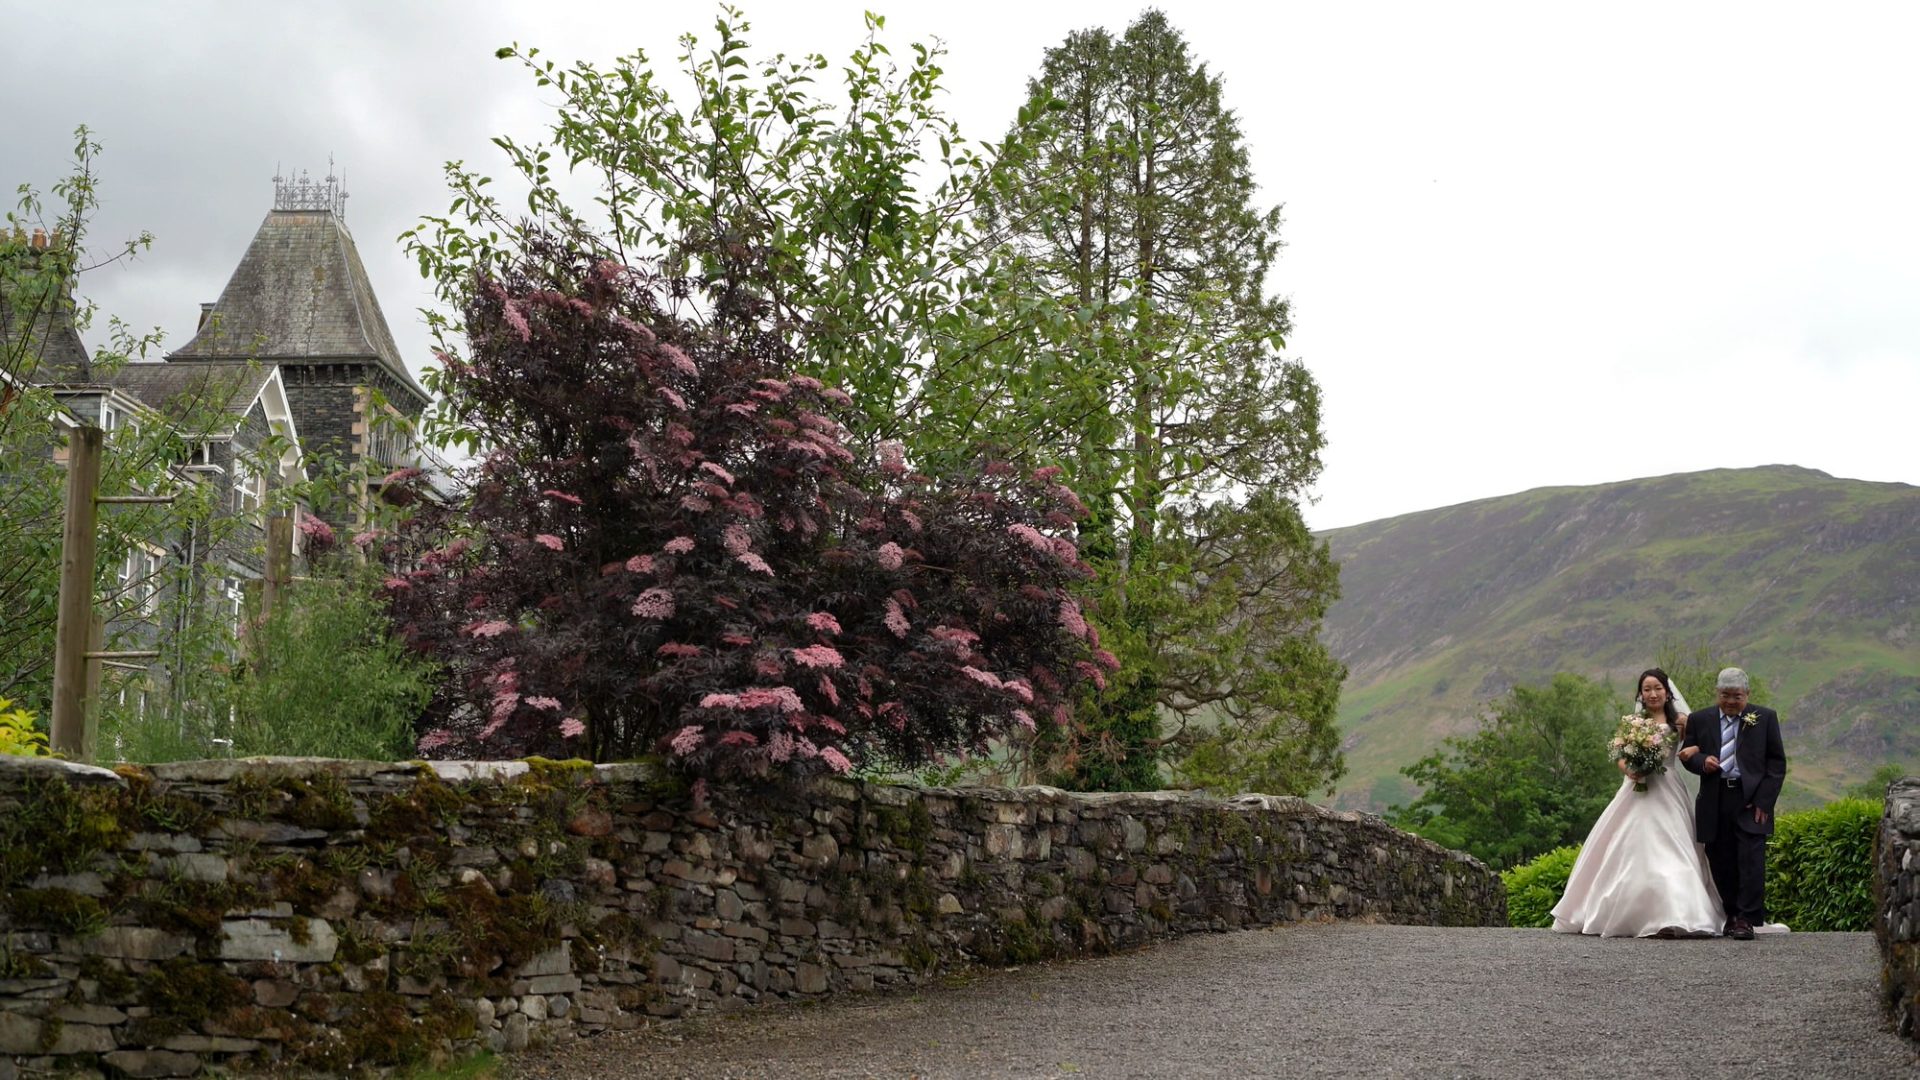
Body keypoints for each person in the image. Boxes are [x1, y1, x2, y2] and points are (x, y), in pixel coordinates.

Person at [1550, 668, 1725, 938]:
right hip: (1636, 789)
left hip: (1667, 788)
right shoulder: (1631, 722)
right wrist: (1629, 770)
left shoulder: (1681, 721)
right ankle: (1628, 913)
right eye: (1647, 689)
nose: (1653, 694)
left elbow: (1695, 748)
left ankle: (1679, 913)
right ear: (1640, 694)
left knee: (1675, 847)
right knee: (1627, 847)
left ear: (1667, 692)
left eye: (1657, 688)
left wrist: (1692, 751)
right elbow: (1620, 753)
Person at [1678, 666, 1787, 940]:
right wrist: (1704, 762)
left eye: (1736, 696)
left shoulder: (1764, 718)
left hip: (1750, 800)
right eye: (1725, 695)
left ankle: (1746, 919)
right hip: (1715, 799)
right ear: (1717, 693)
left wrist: (1765, 800)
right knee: (1720, 858)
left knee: (1751, 860)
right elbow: (1689, 755)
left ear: (1747, 694)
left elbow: (1776, 763)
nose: (1730, 701)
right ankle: (1730, 914)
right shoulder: (1700, 719)